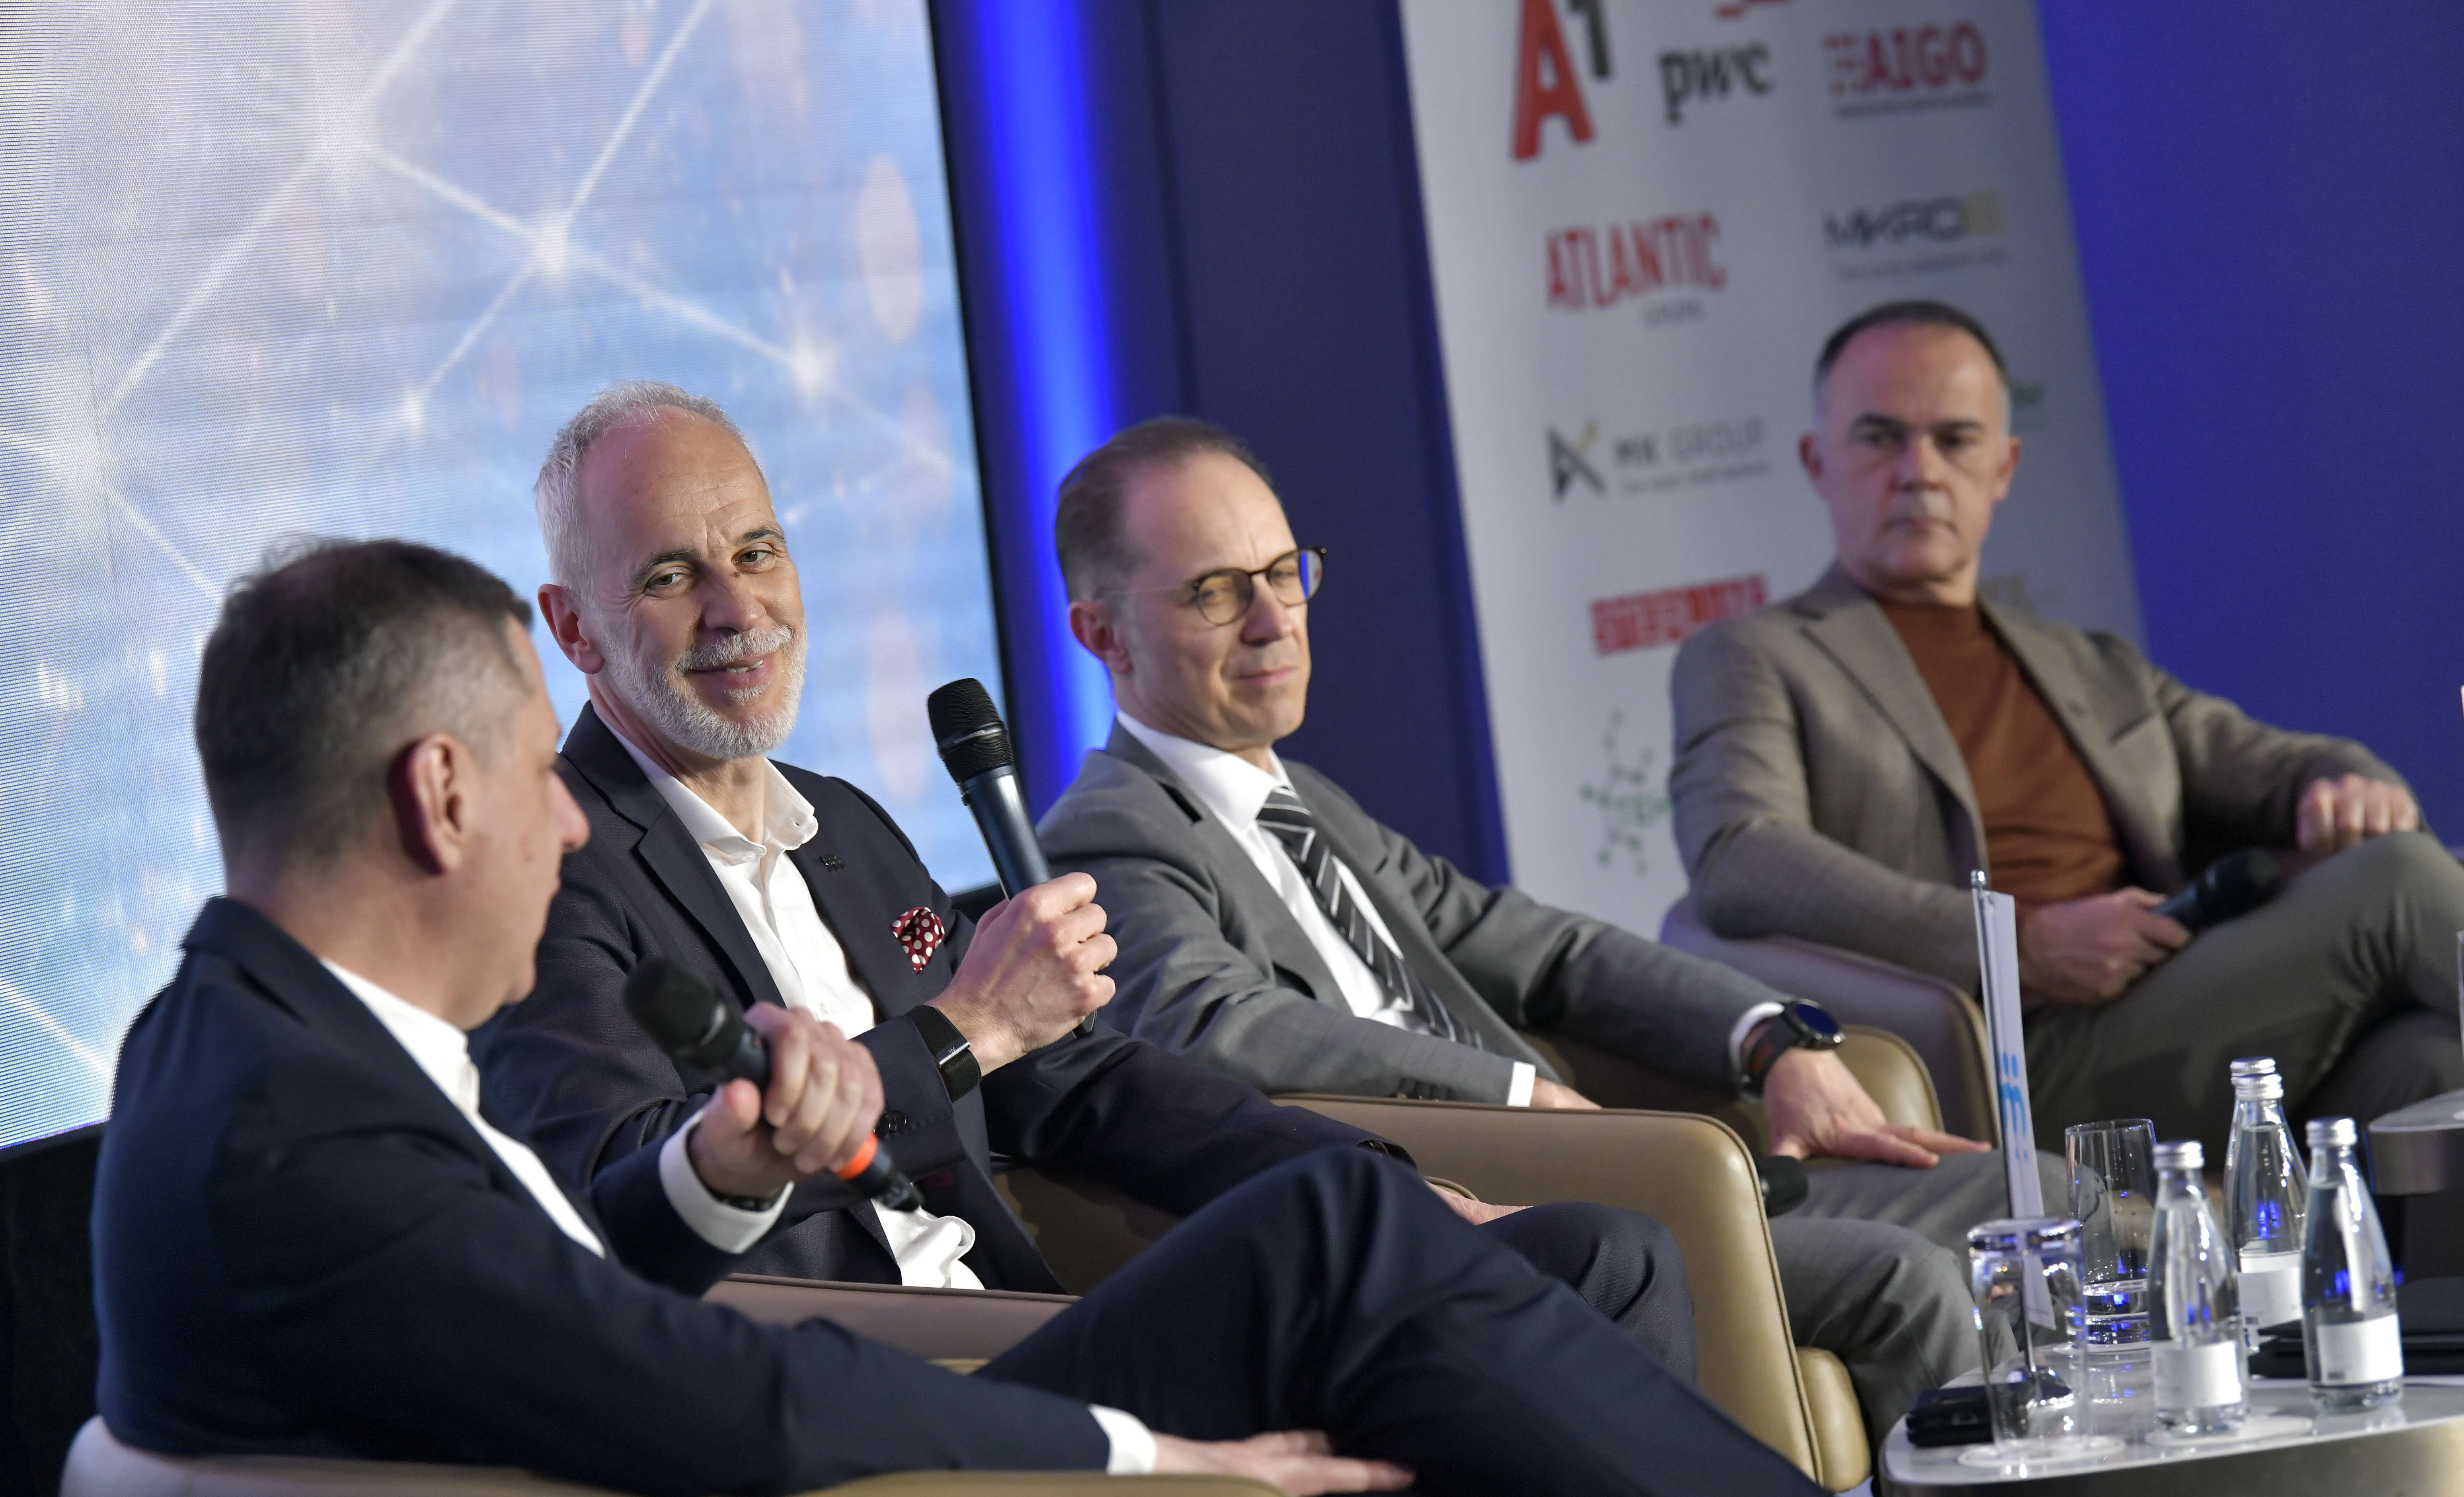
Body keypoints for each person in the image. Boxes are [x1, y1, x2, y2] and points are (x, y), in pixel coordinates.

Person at [94, 535, 2400, 1497]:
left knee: (1374, 1245)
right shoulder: (304, 1135)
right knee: (1461, 1484)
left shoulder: (269, 1050)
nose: (567, 815)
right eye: (535, 766)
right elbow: (700, 1392)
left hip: (801, 1443)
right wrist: (1149, 1452)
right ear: (437, 795)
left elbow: (640, 1287)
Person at [474, 382, 1695, 1380]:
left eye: (758, 552)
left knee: (1590, 1260)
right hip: (867, 1373)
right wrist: (967, 1029)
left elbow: (1076, 1077)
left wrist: (1380, 1183)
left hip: (1030, 1315)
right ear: (572, 629)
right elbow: (623, 1189)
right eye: (671, 577)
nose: (739, 607)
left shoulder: (841, 825)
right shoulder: (552, 872)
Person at [1035, 416, 2049, 1444]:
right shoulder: (1108, 834)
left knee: (2049, 1197)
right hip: (1488, 1210)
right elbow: (1217, 1023)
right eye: (1215, 592)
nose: (1274, 621)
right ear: (1102, 634)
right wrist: (1515, 1098)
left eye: (1284, 573)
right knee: (1908, 1283)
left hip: (1619, 1164)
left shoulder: (1309, 804)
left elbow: (1545, 948)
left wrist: (1768, 1037)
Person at [1669, 299, 2464, 1154]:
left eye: (1955, 440)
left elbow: (2279, 763)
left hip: (2178, 1012)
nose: (1919, 471)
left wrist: (2347, 784)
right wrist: (2019, 944)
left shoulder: (2087, 662)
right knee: (2399, 884)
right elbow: (1739, 855)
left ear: (2003, 466)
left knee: (2428, 1063)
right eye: (1879, 438)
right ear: (1817, 461)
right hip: (2005, 1062)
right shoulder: (1756, 655)